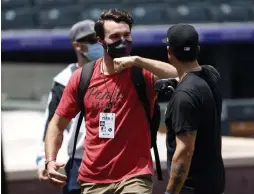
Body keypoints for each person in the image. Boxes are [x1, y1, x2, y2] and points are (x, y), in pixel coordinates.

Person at [44, 8, 178, 194]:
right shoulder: (81, 77)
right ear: (101, 41)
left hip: (135, 176)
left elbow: (181, 75)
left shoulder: (141, 72)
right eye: (115, 36)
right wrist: (50, 160)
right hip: (92, 179)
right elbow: (56, 125)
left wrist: (138, 60)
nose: (122, 41)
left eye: (126, 35)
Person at [113, 24, 225, 194]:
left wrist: (170, 192)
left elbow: (184, 152)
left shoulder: (184, 96)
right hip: (215, 184)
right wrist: (136, 61)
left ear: (169, 52)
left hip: (190, 188)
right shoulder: (211, 75)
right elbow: (190, 77)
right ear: (198, 49)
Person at [36, 19, 104, 194]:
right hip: (81, 159)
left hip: (116, 156)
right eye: (91, 41)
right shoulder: (64, 80)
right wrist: (45, 158)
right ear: (77, 46)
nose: (98, 44)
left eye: (99, 39)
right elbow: (52, 124)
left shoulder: (115, 71)